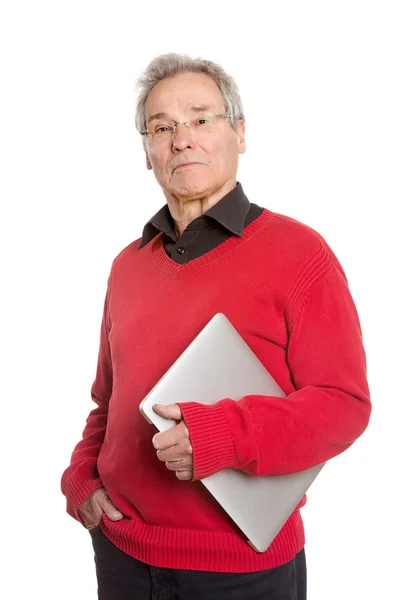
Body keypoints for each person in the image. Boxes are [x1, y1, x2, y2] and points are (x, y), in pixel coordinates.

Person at [61, 53, 371, 600]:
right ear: (148, 152)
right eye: (163, 127)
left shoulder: (301, 253)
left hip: (242, 569)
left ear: (240, 133)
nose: (182, 139)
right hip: (120, 554)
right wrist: (82, 477)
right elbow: (107, 402)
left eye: (202, 119)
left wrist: (221, 436)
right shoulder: (126, 265)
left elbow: (343, 404)